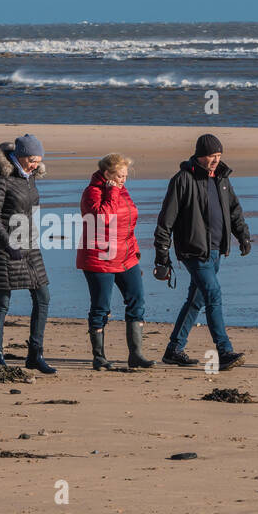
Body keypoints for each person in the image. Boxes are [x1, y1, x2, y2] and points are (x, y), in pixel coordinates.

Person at [154, 133, 251, 370]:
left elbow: (234, 209)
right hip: (194, 251)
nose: (215, 160)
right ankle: (224, 350)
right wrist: (162, 257)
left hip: (217, 250)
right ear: (199, 156)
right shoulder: (182, 180)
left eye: (218, 156)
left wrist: (243, 235)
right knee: (213, 295)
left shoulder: (223, 178)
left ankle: (174, 349)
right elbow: (166, 221)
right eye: (211, 156)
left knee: (196, 300)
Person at [76, 153, 155, 371]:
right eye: (120, 176)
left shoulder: (122, 190)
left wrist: (136, 254)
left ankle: (136, 355)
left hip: (126, 256)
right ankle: (99, 357)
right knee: (101, 307)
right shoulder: (92, 192)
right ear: (107, 174)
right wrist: (112, 191)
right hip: (99, 258)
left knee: (137, 300)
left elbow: (128, 224)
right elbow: (102, 218)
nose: (123, 180)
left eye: (125, 176)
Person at [0, 134, 54, 374]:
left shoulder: (30, 177)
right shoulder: (0, 176)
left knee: (43, 296)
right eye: (33, 160)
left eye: (39, 161)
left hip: (29, 245)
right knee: (2, 302)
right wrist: (9, 244)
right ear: (20, 156)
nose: (36, 164)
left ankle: (35, 354)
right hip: (2, 248)